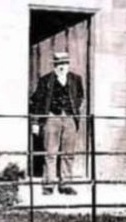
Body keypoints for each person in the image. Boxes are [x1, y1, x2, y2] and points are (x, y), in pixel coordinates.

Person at [29, 51, 84, 195]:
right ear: (54, 65)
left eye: (65, 63)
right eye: (59, 64)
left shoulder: (75, 79)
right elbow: (35, 101)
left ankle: (66, 184)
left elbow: (80, 97)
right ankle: (48, 185)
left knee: (68, 153)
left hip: (70, 118)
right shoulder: (45, 80)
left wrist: (74, 110)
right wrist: (36, 121)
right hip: (51, 118)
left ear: (68, 64)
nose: (62, 66)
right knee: (50, 152)